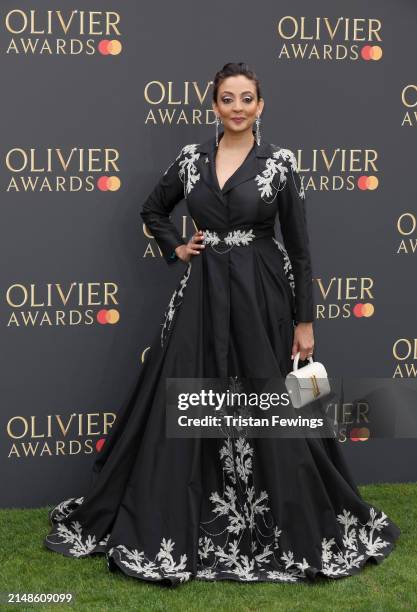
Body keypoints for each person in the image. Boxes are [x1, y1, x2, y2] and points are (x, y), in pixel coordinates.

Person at [44, 62, 400, 586]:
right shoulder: (191, 160)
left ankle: (290, 519)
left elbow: (300, 251)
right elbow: (153, 209)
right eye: (227, 98)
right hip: (202, 294)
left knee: (275, 402)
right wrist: (177, 247)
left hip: (262, 296)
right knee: (186, 395)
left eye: (247, 98)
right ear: (213, 105)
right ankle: (176, 519)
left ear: (261, 105)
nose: (237, 107)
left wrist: (305, 321)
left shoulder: (279, 163)